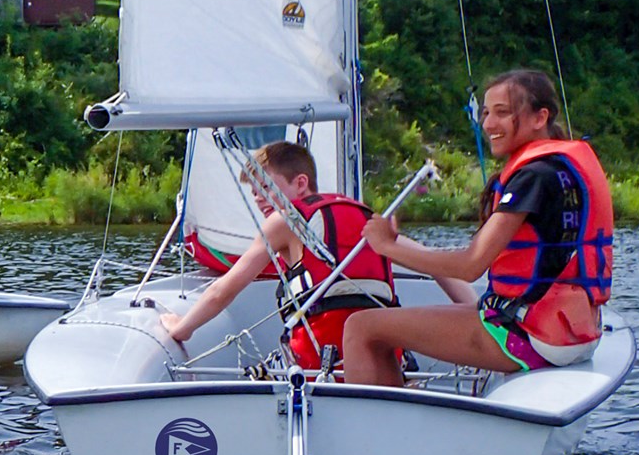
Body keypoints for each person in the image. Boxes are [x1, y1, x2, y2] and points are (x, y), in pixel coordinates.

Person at [344, 68, 614, 387]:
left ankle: (377, 432)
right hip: (569, 328)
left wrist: (387, 247)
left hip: (529, 335)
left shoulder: (534, 177)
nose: (488, 124)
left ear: (540, 117)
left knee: (362, 327)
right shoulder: (561, 169)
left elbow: (471, 265)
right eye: (485, 112)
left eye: (502, 113)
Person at [158, 140, 398, 374]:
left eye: (265, 188)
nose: (258, 198)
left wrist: (182, 328)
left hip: (322, 364)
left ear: (301, 183)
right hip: (386, 362)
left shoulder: (285, 220)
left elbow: (222, 291)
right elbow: (424, 259)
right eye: (254, 192)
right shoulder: (368, 217)